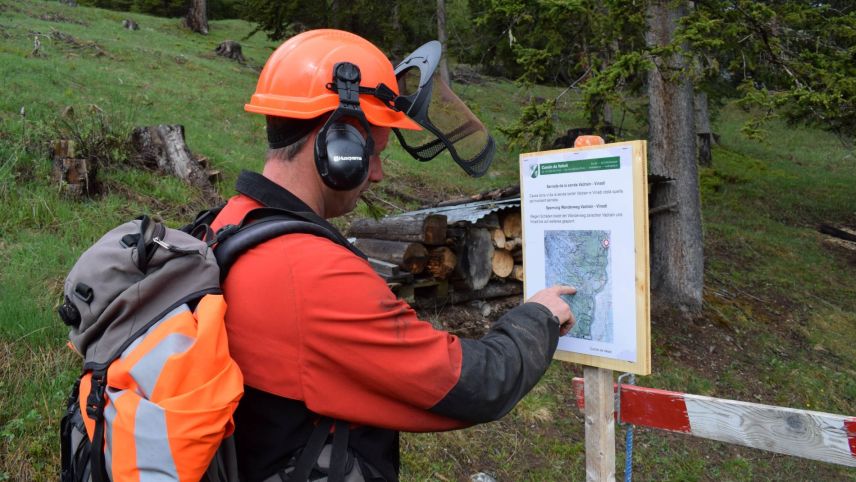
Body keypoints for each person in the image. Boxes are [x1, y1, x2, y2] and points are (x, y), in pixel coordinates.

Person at [210, 29, 576, 482]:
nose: (379, 175)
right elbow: (475, 386)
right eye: (375, 154)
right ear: (338, 146)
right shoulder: (311, 275)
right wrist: (536, 316)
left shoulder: (231, 222)